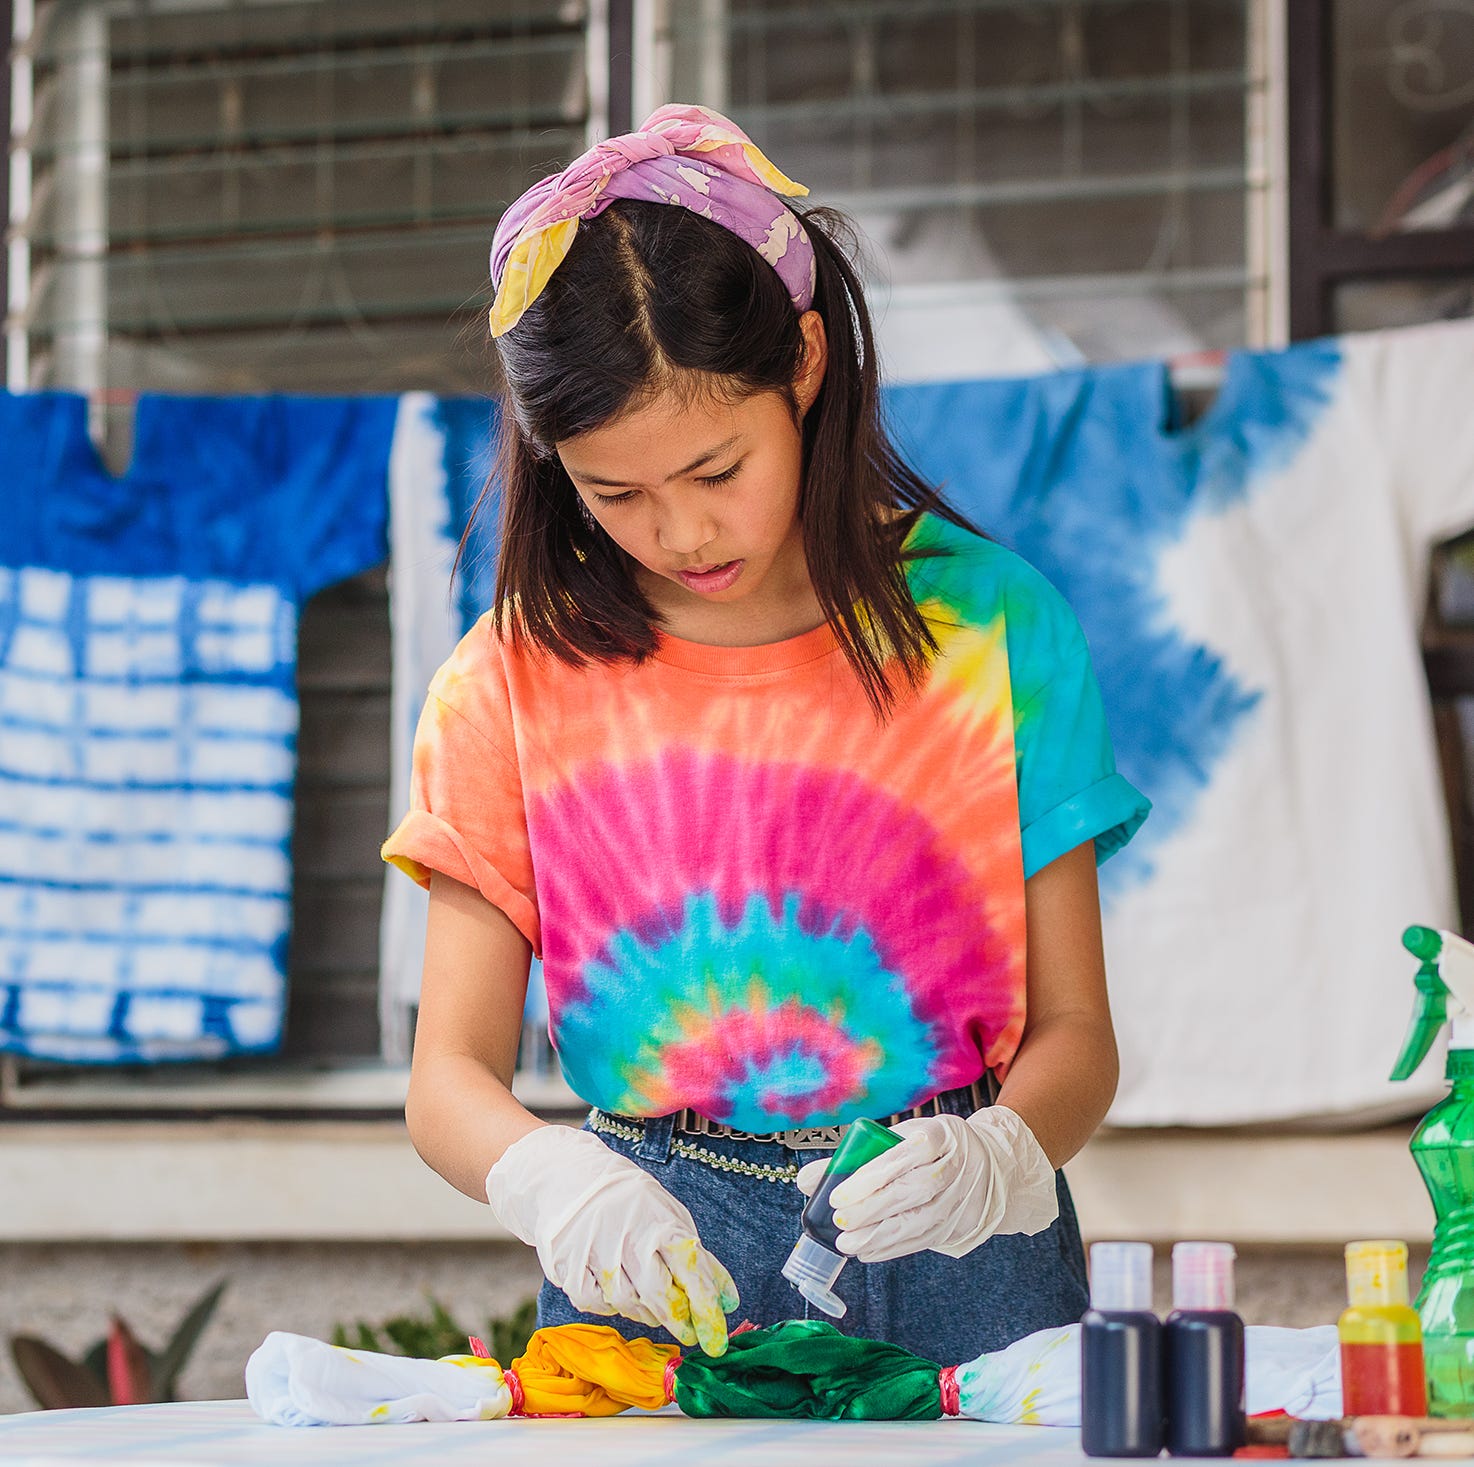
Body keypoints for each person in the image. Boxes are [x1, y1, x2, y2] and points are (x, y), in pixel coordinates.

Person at [382, 105, 1150, 1367]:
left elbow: (1076, 1033)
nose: (679, 533)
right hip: (651, 1248)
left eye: (715, 469)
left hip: (959, 1236)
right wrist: (551, 1183)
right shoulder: (510, 678)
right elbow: (447, 1075)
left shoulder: (994, 627)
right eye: (613, 493)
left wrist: (1000, 1153)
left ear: (802, 363)